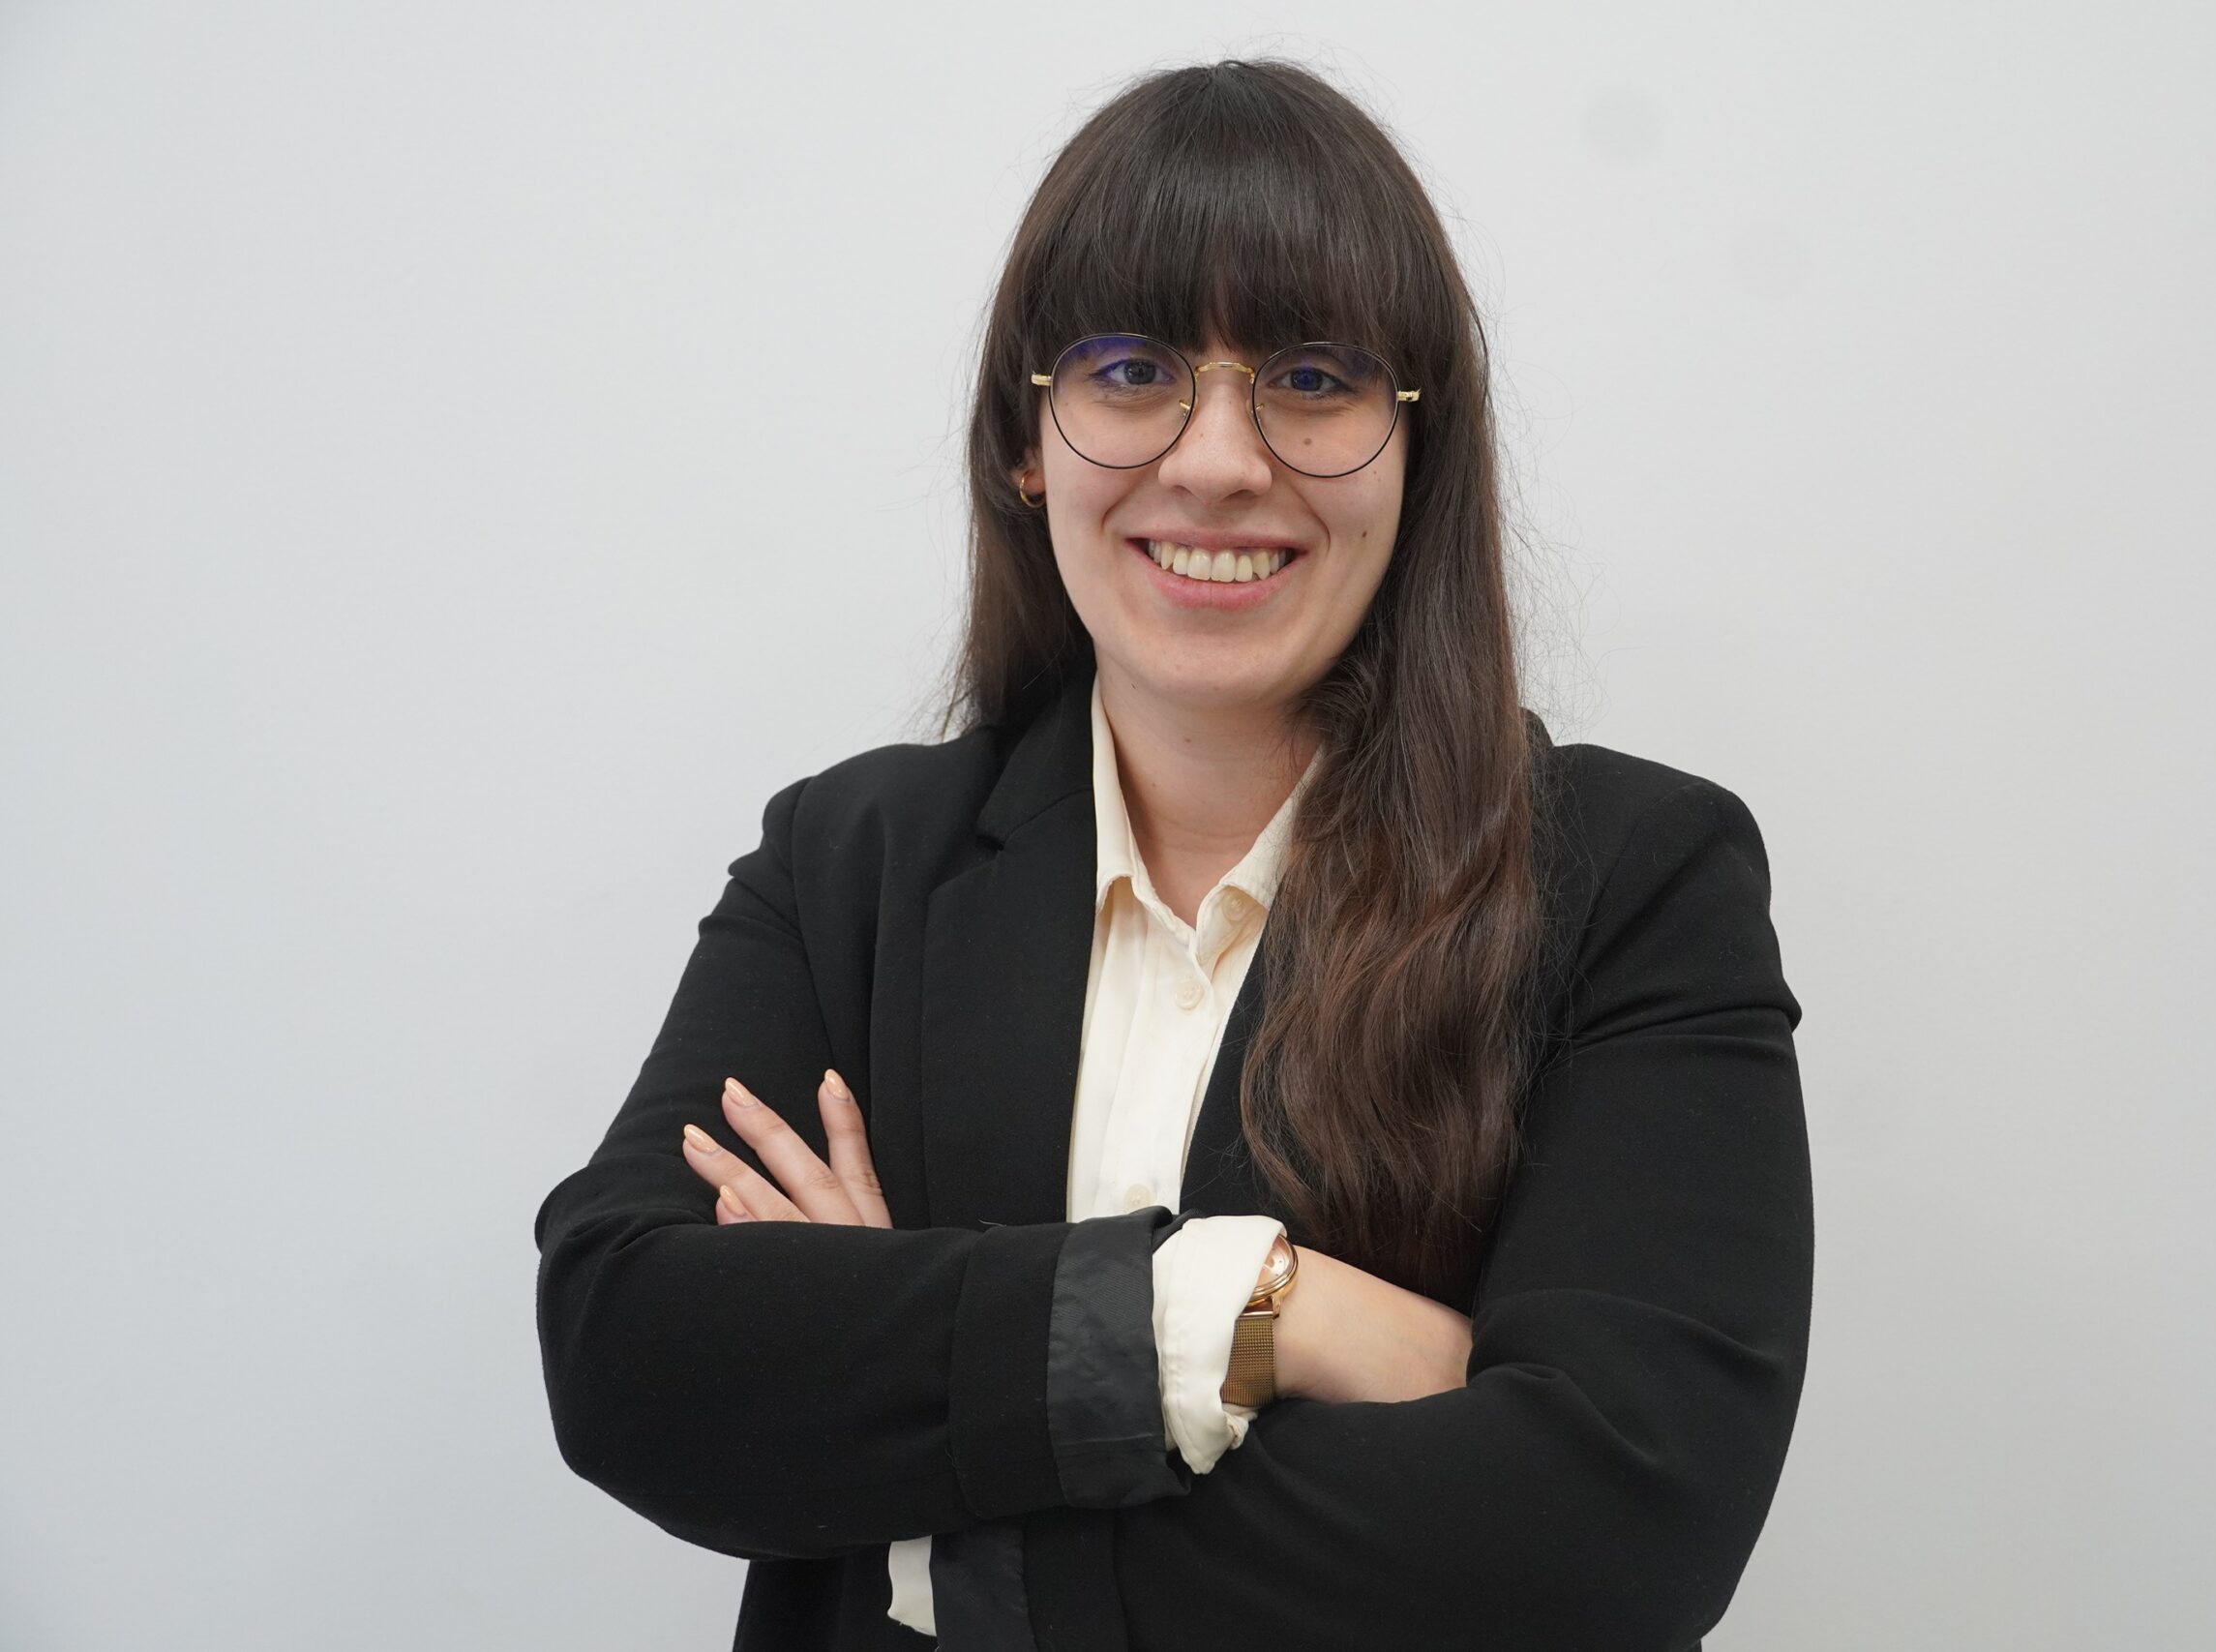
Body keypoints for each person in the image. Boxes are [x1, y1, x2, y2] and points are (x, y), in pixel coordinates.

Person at [532, 56, 1812, 1652]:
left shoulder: (1634, 884)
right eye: (1132, 369)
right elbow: (628, 1351)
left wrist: (926, 1464)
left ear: (1418, 455)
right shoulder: (848, 864)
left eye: (1316, 377)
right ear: (1028, 438)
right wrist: (1250, 1310)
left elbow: (1611, 1538)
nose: (1216, 459)